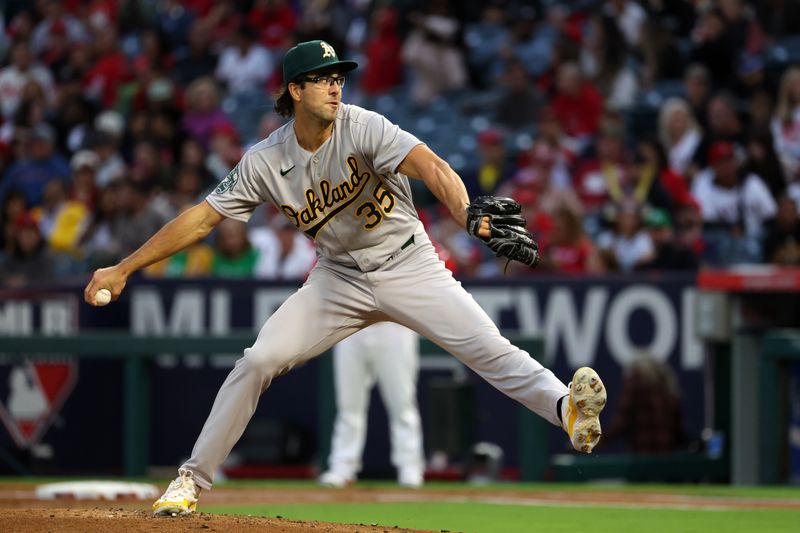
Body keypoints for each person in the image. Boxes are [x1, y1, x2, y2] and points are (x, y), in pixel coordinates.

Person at [82, 40, 607, 516]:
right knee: (259, 359)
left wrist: (470, 212)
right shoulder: (266, 159)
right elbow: (201, 218)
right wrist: (125, 267)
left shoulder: (363, 124)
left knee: (487, 348)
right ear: (295, 90)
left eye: (339, 76)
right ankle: (190, 481)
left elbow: (431, 165)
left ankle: (566, 409)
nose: (336, 85)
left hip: (408, 261)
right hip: (339, 278)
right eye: (323, 77)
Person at [319, 322, 425, 488]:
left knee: (402, 405)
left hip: (393, 325)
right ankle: (342, 467)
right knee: (349, 406)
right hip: (352, 324)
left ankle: (410, 466)